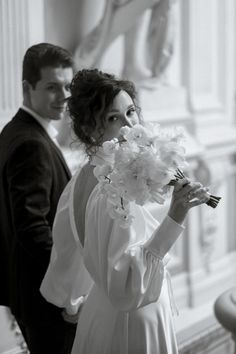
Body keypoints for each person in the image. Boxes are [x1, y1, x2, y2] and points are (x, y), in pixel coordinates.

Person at [41, 68, 209, 354]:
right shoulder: (113, 189)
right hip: (131, 327)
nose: (130, 126)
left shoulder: (81, 179)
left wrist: (74, 301)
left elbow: (67, 257)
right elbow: (128, 287)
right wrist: (175, 216)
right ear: (91, 130)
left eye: (131, 112)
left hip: (101, 314)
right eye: (113, 118)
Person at [0, 43, 76, 354]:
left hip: (28, 290)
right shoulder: (30, 143)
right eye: (52, 87)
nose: (64, 96)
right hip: (44, 296)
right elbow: (32, 228)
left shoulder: (15, 130)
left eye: (68, 86)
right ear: (27, 88)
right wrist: (69, 285)